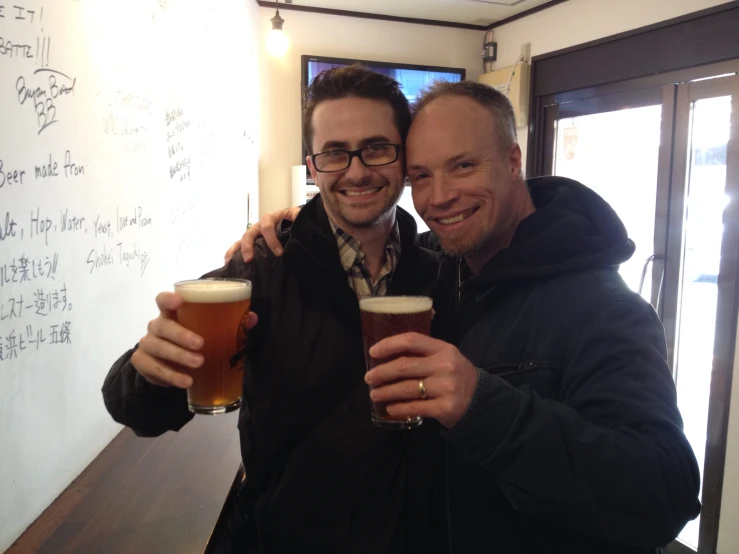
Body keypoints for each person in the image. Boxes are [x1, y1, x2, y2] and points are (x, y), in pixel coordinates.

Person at [230, 81, 701, 553]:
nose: (440, 197)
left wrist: (483, 406)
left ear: (514, 161)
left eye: (463, 166)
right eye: (422, 176)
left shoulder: (604, 309)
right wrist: (301, 222)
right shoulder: (443, 266)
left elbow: (666, 491)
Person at [102, 66, 447, 554]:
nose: (356, 170)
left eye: (376, 147)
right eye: (334, 153)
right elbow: (132, 405)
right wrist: (150, 371)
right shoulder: (258, 271)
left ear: (403, 158)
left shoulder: (439, 272)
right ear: (311, 166)